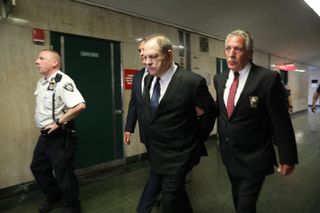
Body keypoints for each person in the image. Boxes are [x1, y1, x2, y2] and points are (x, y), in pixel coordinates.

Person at [213, 30, 298, 213]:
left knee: (245, 205)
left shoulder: (267, 79)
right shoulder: (219, 79)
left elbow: (281, 121)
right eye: (228, 48)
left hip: (255, 157)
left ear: (250, 53)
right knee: (237, 198)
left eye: (238, 49)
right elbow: (223, 111)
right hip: (230, 155)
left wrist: (287, 156)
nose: (231, 53)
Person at [140, 34, 216, 213]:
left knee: (170, 198)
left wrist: (196, 139)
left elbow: (210, 112)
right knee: (178, 195)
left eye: (153, 57)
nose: (148, 62)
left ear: (169, 55)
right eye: (145, 57)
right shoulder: (148, 79)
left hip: (180, 154)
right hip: (157, 153)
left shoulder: (192, 82)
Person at [30, 49, 86, 213]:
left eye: (41, 58)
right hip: (45, 135)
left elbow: (80, 105)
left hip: (61, 134)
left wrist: (58, 122)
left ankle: (72, 206)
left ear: (54, 62)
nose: (37, 61)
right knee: (38, 167)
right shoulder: (42, 82)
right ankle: (55, 197)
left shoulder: (63, 81)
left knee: (63, 172)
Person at [123, 39, 162, 212]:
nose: (141, 54)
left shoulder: (166, 73)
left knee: (157, 171)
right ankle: (164, 192)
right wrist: (129, 128)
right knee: (159, 169)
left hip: (166, 134)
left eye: (145, 50)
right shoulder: (139, 76)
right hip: (148, 134)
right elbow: (134, 104)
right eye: (140, 50)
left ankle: (145, 207)